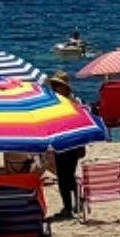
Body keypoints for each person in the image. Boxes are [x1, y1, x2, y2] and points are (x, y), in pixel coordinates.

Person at [46, 73, 86, 217]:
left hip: (72, 142)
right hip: (60, 142)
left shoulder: (74, 102)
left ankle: (72, 206)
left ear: (64, 87)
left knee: (67, 176)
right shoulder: (54, 102)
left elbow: (81, 124)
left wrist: (82, 144)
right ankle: (70, 207)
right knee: (64, 176)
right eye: (53, 85)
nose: (55, 88)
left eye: (57, 85)